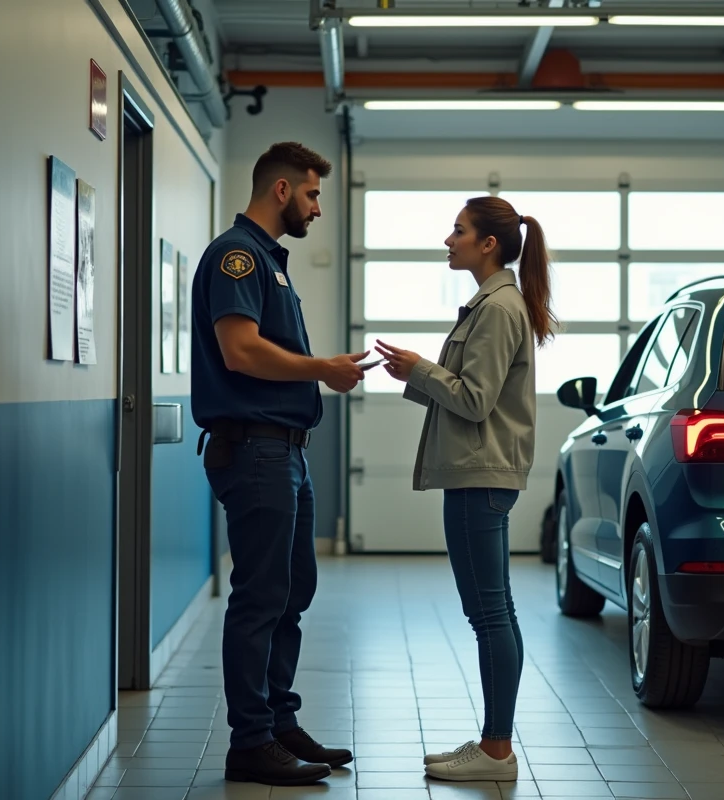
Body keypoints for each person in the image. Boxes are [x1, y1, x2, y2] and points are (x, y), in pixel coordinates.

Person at [191, 142, 369, 786]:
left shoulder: (271, 263)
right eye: (314, 194)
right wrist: (323, 370)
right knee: (262, 596)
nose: (319, 208)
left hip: (286, 449)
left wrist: (320, 374)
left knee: (292, 592)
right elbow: (239, 352)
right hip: (257, 449)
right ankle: (251, 743)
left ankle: (278, 722)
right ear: (283, 191)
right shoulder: (237, 257)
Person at [375, 196, 555, 783]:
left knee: (489, 614)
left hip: (482, 477)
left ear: (489, 245)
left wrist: (419, 369)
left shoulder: (499, 308)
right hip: (479, 475)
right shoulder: (494, 303)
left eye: (458, 231)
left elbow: (475, 400)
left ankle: (497, 752)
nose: (447, 241)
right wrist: (421, 373)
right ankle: (493, 741)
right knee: (493, 610)